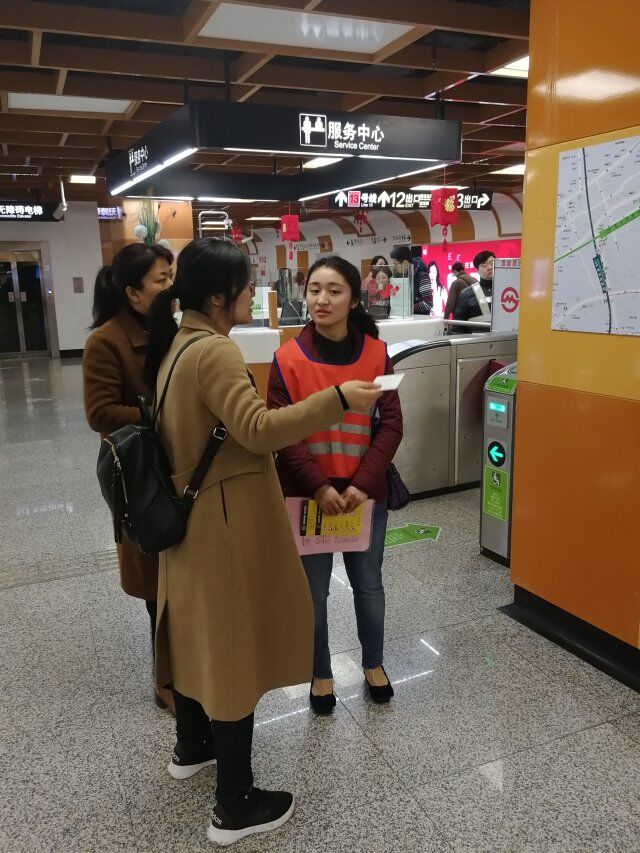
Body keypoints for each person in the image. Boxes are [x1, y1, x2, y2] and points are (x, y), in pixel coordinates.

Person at [143, 238, 382, 847]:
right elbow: (257, 430)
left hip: (188, 519)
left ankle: (192, 747)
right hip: (221, 523)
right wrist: (337, 400)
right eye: (246, 286)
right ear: (218, 297)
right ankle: (234, 803)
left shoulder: (178, 344)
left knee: (194, 635)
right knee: (231, 651)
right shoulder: (215, 350)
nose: (255, 293)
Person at [267, 256, 403, 716]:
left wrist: (363, 485)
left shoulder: (377, 354)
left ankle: (374, 664)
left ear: (354, 300)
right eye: (314, 290)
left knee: (369, 585)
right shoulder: (287, 358)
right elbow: (281, 432)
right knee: (313, 593)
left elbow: (391, 424)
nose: (321, 299)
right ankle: (320, 672)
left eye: (334, 290)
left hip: (364, 495)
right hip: (310, 497)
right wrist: (320, 487)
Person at [83, 242, 175, 714]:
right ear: (133, 292)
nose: (171, 287)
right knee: (157, 582)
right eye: (161, 279)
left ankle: (187, 669)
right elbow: (99, 413)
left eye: (171, 276)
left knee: (183, 578)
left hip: (181, 467)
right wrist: (159, 412)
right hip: (142, 474)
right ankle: (165, 680)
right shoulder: (106, 341)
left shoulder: (171, 328)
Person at [453, 250, 495, 323]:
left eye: (492, 263)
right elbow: (458, 325)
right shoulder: (466, 295)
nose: (490, 267)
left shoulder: (507, 291)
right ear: (477, 270)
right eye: (484, 265)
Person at [389, 245, 433, 315]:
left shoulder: (422, 276)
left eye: (395, 264)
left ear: (405, 263)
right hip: (405, 316)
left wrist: (409, 307)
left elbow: (428, 303)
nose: (394, 267)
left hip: (419, 319)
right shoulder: (401, 275)